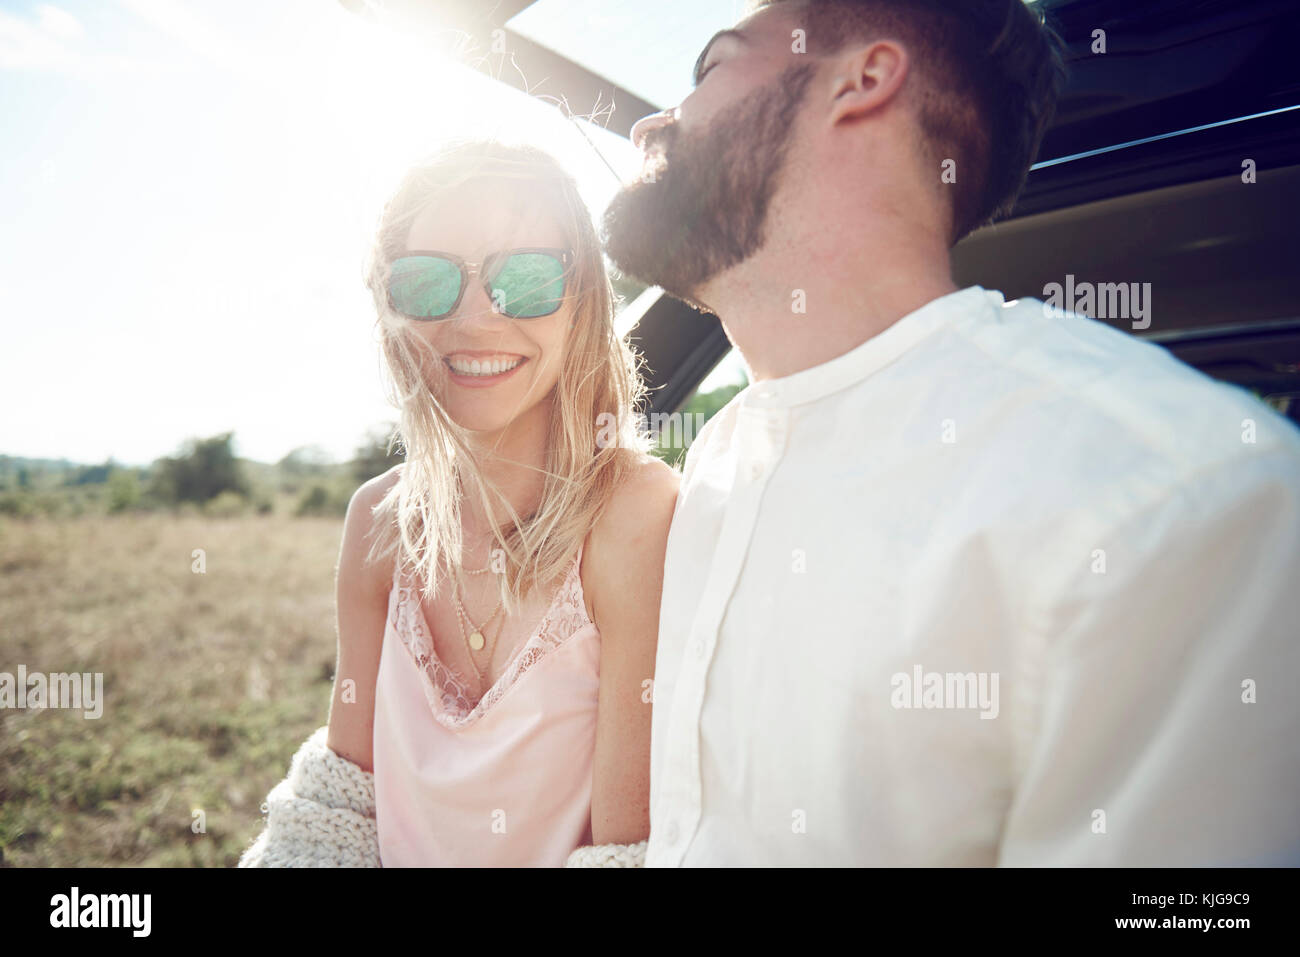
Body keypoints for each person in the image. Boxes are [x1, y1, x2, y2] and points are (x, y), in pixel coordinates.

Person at [601, 0, 1300, 865]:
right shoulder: (712, 464)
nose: (648, 121)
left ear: (861, 81)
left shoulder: (1175, 504)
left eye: (709, 66)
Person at [239, 138, 678, 867]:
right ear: (390, 307)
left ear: (583, 303)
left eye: (527, 278)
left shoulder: (633, 515)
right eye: (427, 282)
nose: (475, 319)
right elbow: (337, 806)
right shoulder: (376, 524)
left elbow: (626, 854)